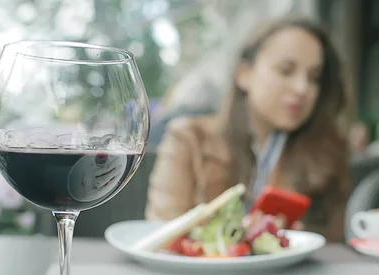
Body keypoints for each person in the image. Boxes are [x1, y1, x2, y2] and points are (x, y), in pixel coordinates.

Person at [145, 15, 350, 242]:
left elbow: (332, 247)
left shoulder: (326, 151)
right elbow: (163, 235)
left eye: (314, 78)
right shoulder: (188, 138)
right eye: (285, 70)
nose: (302, 88)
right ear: (244, 74)